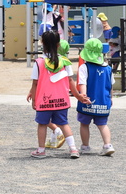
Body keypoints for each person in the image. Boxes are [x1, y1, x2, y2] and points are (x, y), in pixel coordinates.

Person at [26, 30, 90, 159]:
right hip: (61, 99)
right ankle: (73, 149)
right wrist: (78, 96)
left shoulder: (39, 63)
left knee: (42, 124)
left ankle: (41, 150)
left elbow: (35, 83)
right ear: (58, 44)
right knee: (64, 123)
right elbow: (71, 81)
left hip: (44, 100)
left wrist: (34, 100)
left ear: (42, 44)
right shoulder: (65, 62)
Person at [76, 38, 115, 156]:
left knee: (84, 124)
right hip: (104, 101)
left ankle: (85, 146)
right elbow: (110, 85)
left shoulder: (84, 67)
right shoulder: (108, 68)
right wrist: (111, 98)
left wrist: (83, 96)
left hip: (87, 102)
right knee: (103, 124)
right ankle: (107, 145)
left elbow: (83, 84)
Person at [45, 40, 70, 149]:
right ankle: (53, 140)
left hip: (48, 94)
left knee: (44, 118)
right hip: (63, 95)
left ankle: (57, 130)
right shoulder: (65, 62)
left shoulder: (47, 61)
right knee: (60, 118)